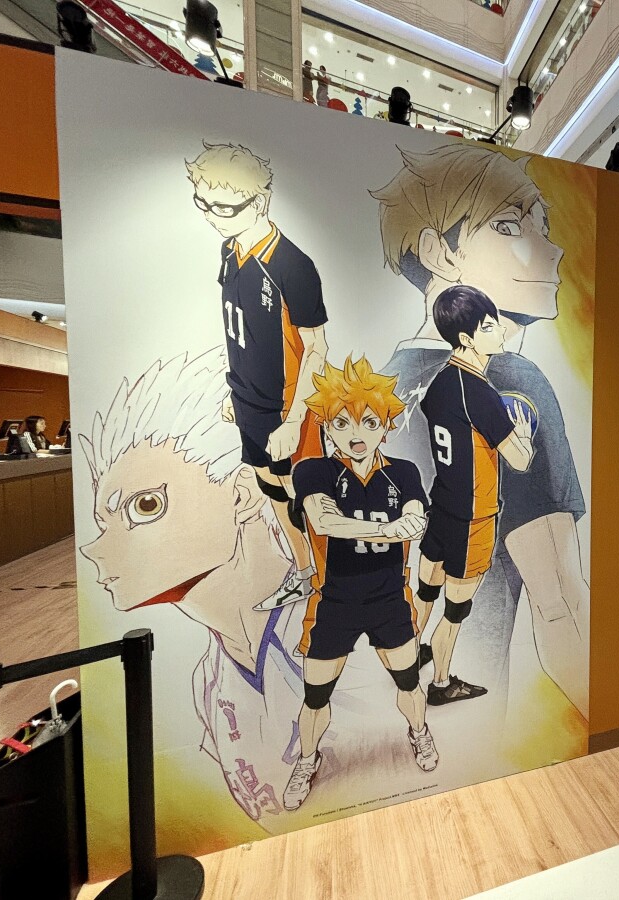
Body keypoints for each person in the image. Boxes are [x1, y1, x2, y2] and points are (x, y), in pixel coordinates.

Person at [373, 144, 589, 716]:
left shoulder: (383, 385)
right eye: (510, 226)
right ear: (437, 253)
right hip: (476, 728)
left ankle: (416, 667)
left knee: (428, 595)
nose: (551, 249)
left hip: (382, 714)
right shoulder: (509, 382)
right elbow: (560, 605)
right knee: (458, 607)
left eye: (543, 225)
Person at [80, 349, 306, 827]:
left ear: (242, 492)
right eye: (104, 522)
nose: (96, 550)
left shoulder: (331, 633)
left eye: (145, 506)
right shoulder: (209, 680)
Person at [284, 357, 437, 812]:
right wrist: (391, 529)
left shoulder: (403, 472)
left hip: (390, 599)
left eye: (370, 422)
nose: (357, 433)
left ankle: (419, 733)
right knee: (316, 696)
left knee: (409, 682)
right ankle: (307, 760)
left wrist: (406, 524)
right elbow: (324, 521)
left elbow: (416, 519)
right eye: (342, 422)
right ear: (327, 427)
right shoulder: (313, 471)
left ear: (385, 427)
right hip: (335, 601)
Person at [186, 142, 329, 610]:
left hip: (286, 408)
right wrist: (235, 390)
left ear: (260, 201)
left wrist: (294, 420)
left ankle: (333, 588)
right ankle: (305, 574)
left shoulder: (292, 265)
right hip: (247, 401)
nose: (213, 217)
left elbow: (317, 348)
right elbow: (240, 326)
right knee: (271, 491)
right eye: (204, 204)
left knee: (305, 498)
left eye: (225, 208)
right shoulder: (229, 250)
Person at [418, 286, 535, 705]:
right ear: (466, 338)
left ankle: (411, 655)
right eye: (489, 326)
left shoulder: (440, 382)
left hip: (442, 505)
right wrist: (524, 438)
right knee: (455, 611)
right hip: (473, 515)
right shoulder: (481, 394)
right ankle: (440, 684)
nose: (500, 331)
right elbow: (519, 460)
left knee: (426, 591)